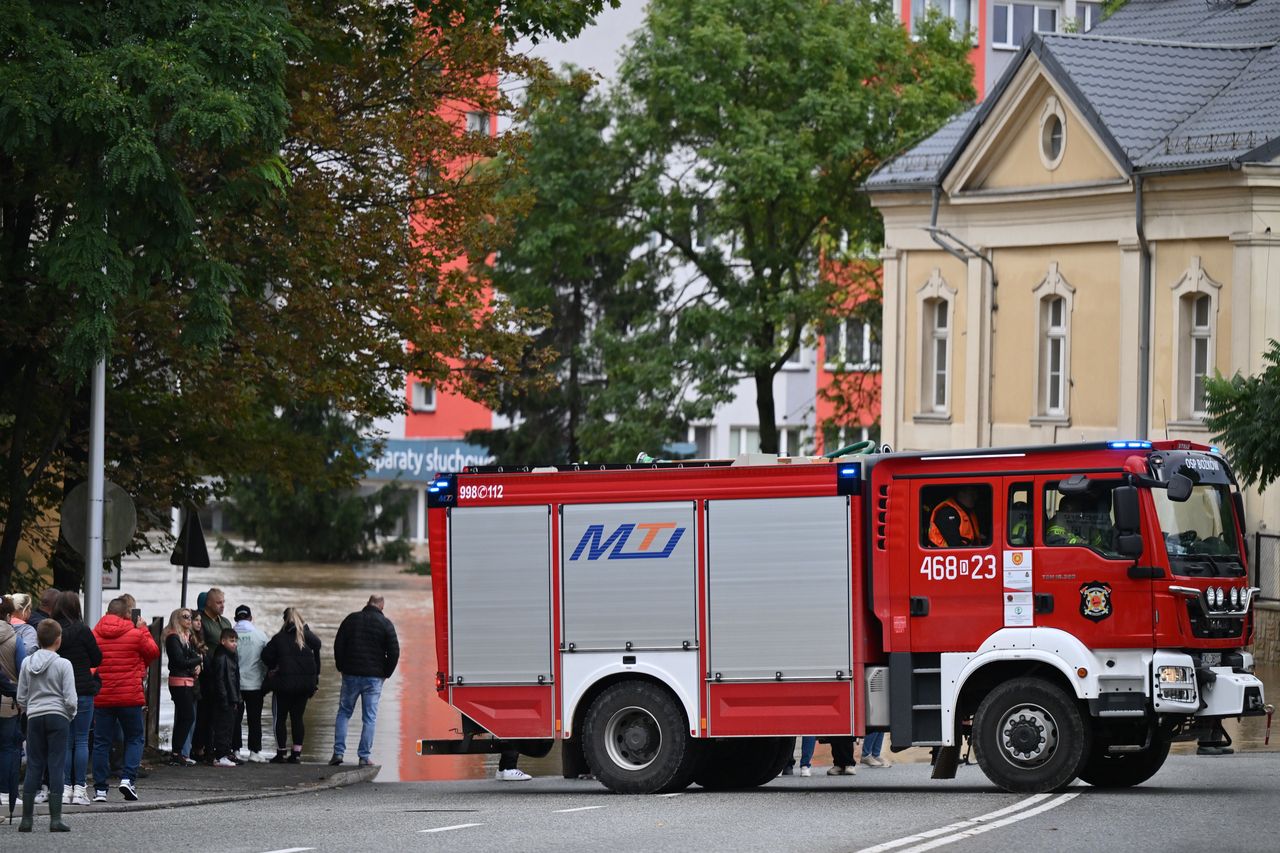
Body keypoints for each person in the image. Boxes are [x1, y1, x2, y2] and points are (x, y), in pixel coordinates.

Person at [92, 597, 159, 802]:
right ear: (126, 615)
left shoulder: (94, 634)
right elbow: (153, 652)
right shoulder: (135, 634)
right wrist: (144, 629)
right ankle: (127, 779)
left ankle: (100, 790)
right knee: (134, 738)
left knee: (101, 743)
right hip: (129, 696)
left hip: (103, 696)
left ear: (107, 613)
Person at [15, 619, 77, 832]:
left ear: (38, 639)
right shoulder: (63, 664)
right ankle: (55, 819)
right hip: (58, 716)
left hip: (34, 717)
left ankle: (27, 820)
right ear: (58, 640)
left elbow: (21, 695)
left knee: (34, 765)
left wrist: (29, 709)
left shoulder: (26, 663)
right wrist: (70, 714)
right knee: (56, 765)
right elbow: (70, 698)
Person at [329, 595, 400, 767]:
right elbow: (394, 652)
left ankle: (338, 753)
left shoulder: (351, 619)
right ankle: (364, 756)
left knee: (344, 713)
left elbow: (338, 644)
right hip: (374, 678)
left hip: (351, 675)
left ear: (367, 603)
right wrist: (386, 674)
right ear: (381, 605)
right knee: (369, 718)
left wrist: (341, 666)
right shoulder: (386, 624)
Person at [52, 591, 101, 806]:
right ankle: (79, 789)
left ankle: (64, 788)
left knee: (65, 741)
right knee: (81, 740)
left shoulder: (53, 630)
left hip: (59, 691)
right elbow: (97, 657)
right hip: (82, 689)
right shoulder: (82, 630)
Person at [260, 607, 321, 764]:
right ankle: (296, 754)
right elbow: (317, 657)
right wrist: (315, 682)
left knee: (280, 718)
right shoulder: (309, 638)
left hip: (283, 686)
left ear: (284, 620)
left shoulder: (279, 639)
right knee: (297, 718)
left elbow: (265, 656)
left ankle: (281, 753)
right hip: (304, 686)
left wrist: (275, 666)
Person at [195, 588, 231, 764]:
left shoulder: (224, 622)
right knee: (206, 713)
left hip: (225, 674)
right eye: (219, 602)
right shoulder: (202, 622)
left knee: (221, 712)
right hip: (208, 674)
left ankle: (221, 748)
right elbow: (201, 646)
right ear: (209, 602)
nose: (222, 605)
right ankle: (203, 748)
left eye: (223, 602)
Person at [163, 608, 202, 766]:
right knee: (187, 716)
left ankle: (177, 752)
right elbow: (179, 661)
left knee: (186, 717)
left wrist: (196, 662)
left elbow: (192, 655)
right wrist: (197, 661)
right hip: (179, 682)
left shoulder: (186, 638)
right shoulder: (173, 638)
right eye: (185, 617)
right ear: (176, 619)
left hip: (187, 681)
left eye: (190, 617)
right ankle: (176, 752)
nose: (189, 620)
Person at [233, 605, 270, 762]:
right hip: (255, 684)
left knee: (235, 719)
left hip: (235, 685)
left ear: (235, 619)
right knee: (254, 719)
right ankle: (254, 752)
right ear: (250, 618)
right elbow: (268, 659)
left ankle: (235, 750)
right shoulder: (260, 636)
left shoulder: (230, 635)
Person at [0, 612, 26, 817]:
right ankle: (6, 791)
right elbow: (22, 669)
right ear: (8, 616)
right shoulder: (15, 639)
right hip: (9, 703)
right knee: (9, 748)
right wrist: (20, 696)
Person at [209, 629, 242, 767]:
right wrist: (224, 699)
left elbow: (234, 679)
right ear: (223, 641)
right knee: (223, 727)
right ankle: (220, 755)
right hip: (225, 698)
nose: (234, 644)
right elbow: (220, 680)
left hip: (231, 697)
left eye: (235, 641)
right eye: (231, 641)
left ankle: (225, 753)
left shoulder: (231, 656)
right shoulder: (222, 657)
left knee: (229, 727)